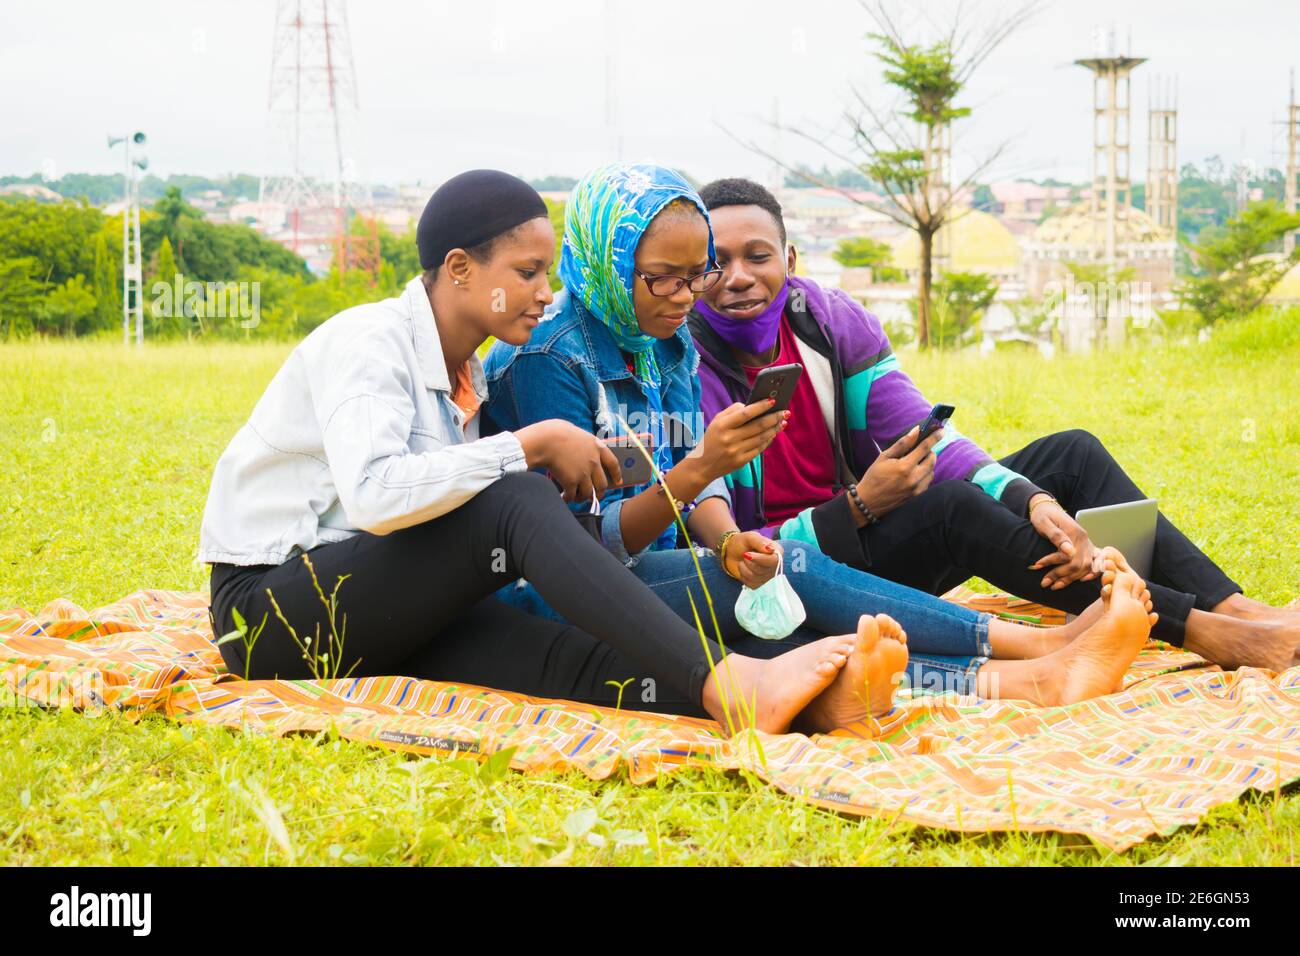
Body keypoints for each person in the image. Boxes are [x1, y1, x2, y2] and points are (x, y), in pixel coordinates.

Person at [199, 168, 888, 737]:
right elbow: (377, 495)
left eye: (548, 271)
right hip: (265, 613)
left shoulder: (463, 371)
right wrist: (529, 445)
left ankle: (796, 706)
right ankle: (734, 681)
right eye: (527, 272)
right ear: (461, 270)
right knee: (517, 493)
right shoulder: (368, 341)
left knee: (553, 656)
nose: (544, 292)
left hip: (369, 602)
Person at [483, 162, 1157, 725]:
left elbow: (693, 486)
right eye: (667, 276)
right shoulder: (551, 360)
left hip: (659, 566)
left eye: (698, 274)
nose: (691, 296)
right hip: (567, 592)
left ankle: (1029, 680)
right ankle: (1040, 648)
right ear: (608, 260)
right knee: (792, 580)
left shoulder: (665, 339)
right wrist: (702, 473)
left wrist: (725, 540)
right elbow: (578, 551)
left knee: (788, 619)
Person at [687, 176, 1300, 673]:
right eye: (717, 263)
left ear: (789, 260)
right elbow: (725, 543)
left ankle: (1238, 606)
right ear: (695, 272)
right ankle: (1202, 631)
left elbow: (926, 434)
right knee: (951, 508)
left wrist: (1031, 502)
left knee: (1071, 456)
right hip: (792, 573)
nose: (738, 277)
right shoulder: (682, 366)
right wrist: (856, 508)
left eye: (758, 256)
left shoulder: (827, 322)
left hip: (866, 528)